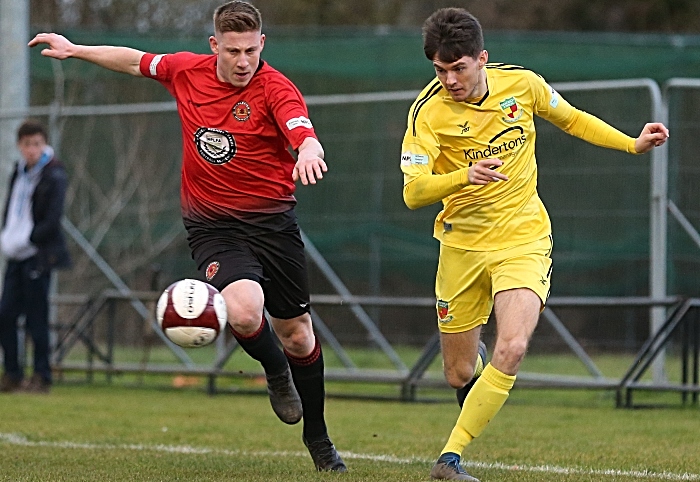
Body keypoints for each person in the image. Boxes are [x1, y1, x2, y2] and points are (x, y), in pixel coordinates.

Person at [28, 1, 346, 472]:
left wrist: (309, 147)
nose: (243, 62)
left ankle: (319, 439)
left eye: (251, 51)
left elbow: (300, 126)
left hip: (273, 225)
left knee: (298, 336)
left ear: (263, 45)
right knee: (242, 309)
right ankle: (276, 373)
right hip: (212, 225)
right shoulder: (186, 72)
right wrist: (75, 50)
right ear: (215, 45)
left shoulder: (275, 87)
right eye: (233, 51)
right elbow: (134, 60)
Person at [400, 8, 669, 481]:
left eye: (459, 68)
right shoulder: (427, 112)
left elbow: (572, 119)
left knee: (514, 346)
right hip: (461, 246)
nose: (449, 79)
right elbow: (413, 192)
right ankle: (476, 387)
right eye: (440, 70)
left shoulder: (522, 86)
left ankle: (450, 458)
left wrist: (631, 143)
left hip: (522, 238)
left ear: (482, 58)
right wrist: (464, 176)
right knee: (459, 373)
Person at [0, 120, 71, 394]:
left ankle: (41, 376)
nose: (32, 150)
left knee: (36, 318)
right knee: (5, 315)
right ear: (20, 146)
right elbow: (12, 209)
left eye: (37, 144)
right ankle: (12, 373)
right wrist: (10, 236)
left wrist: (29, 238)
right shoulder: (18, 172)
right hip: (16, 255)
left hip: (38, 255)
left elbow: (52, 220)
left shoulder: (54, 174)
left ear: (44, 144)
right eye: (28, 144)